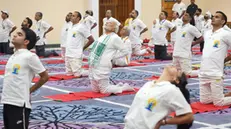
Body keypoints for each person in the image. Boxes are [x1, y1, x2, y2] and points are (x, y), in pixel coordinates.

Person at [1, 27, 49, 129]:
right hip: (7, 100)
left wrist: (30, 90)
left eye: (19, 34)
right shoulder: (13, 56)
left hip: (19, 103)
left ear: (26, 41)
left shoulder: (30, 56)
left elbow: (44, 77)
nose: (14, 35)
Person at [124, 65, 193, 129]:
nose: (174, 66)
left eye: (178, 70)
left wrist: (164, 122)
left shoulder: (171, 90)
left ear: (176, 80)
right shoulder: (148, 84)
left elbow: (189, 117)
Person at [88, 21, 134, 94]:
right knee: (95, 90)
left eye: (110, 23)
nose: (107, 23)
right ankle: (118, 86)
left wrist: (112, 57)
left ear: (114, 28)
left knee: (104, 91)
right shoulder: (102, 36)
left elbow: (125, 51)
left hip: (103, 66)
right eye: (107, 23)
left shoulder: (115, 38)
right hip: (93, 66)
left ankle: (124, 87)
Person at [199, 11, 231, 106]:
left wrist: (225, 60)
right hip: (204, 71)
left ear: (222, 21)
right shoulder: (207, 33)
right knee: (204, 101)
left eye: (217, 17)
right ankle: (223, 95)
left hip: (215, 72)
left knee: (218, 103)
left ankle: (221, 97)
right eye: (213, 16)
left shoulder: (226, 34)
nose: (213, 18)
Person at [65, 11, 94, 77]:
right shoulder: (70, 26)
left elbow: (91, 39)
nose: (71, 17)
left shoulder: (81, 27)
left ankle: (93, 72)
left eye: (73, 16)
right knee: (68, 74)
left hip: (76, 54)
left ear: (78, 18)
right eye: (71, 15)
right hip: (68, 54)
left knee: (77, 75)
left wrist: (83, 48)